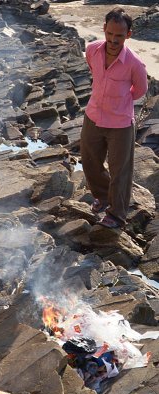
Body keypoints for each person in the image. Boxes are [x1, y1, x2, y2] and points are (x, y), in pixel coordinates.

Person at [80, 7, 148, 229]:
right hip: (93, 115)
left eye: (119, 35)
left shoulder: (135, 64)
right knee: (90, 162)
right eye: (110, 34)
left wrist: (120, 101)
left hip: (120, 123)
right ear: (104, 30)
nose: (113, 39)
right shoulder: (92, 50)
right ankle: (102, 195)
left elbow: (140, 90)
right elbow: (94, 72)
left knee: (120, 171)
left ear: (128, 35)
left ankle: (117, 214)